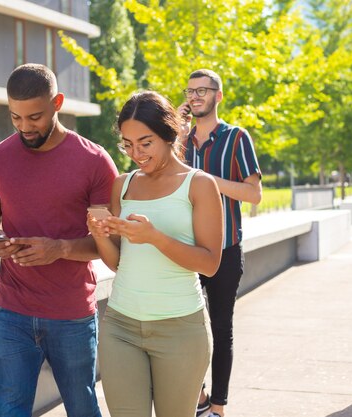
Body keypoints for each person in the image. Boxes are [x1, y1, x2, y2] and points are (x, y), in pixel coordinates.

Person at [0, 63, 118, 417]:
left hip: (72, 314)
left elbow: (110, 245)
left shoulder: (95, 161)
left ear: (58, 103)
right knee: (8, 411)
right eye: (15, 117)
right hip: (11, 311)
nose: (25, 127)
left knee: (83, 408)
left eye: (34, 117)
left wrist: (61, 249)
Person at [88, 90, 224, 417]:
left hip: (180, 329)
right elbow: (121, 263)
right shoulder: (121, 186)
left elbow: (210, 264)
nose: (136, 153)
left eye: (145, 143)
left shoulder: (200, 185)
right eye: (127, 144)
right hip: (121, 326)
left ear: (169, 134)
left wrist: (154, 237)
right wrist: (100, 234)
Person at [178, 69, 262, 417]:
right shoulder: (179, 142)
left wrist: (205, 181)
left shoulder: (237, 138)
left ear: (219, 95)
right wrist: (178, 137)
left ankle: (217, 407)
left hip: (226, 250)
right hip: (186, 250)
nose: (196, 96)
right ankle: (197, 397)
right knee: (182, 325)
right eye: (190, 91)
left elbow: (253, 193)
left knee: (221, 329)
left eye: (203, 90)